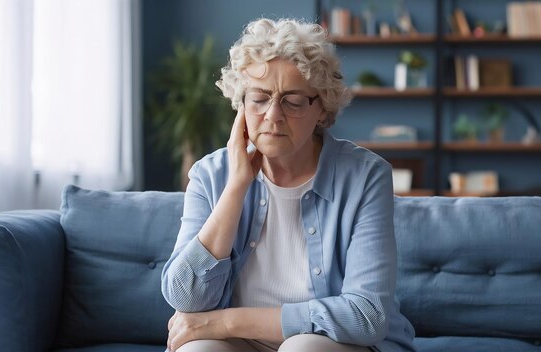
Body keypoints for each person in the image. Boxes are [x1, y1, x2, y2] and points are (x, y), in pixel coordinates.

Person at [161, 18, 416, 352]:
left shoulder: (366, 176)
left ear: (322, 108)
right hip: (240, 345)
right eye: (258, 98)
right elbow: (185, 297)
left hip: (329, 344)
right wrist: (237, 185)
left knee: (302, 349)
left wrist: (226, 322)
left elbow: (366, 316)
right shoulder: (210, 174)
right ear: (241, 105)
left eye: (293, 100)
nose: (273, 115)